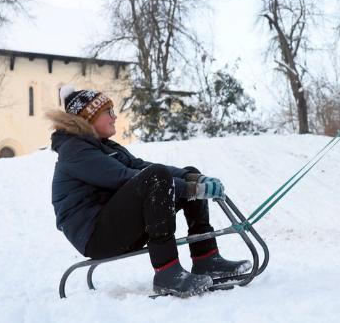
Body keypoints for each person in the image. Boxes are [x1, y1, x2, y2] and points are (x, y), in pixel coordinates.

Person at [46, 86, 251, 297]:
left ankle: (206, 259)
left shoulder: (106, 147)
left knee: (182, 173)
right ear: (88, 118)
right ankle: (167, 272)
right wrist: (193, 189)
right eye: (108, 112)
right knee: (157, 178)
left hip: (117, 228)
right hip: (96, 237)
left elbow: (140, 166)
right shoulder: (75, 150)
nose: (114, 117)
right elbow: (124, 177)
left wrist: (192, 178)